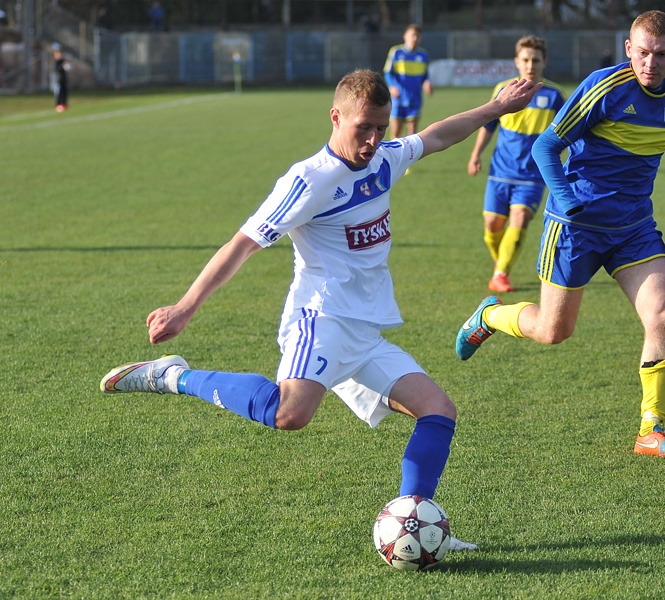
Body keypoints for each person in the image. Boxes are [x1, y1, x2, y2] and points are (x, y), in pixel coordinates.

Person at [100, 69, 540, 548]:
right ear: (336, 117)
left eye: (381, 127)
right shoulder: (309, 181)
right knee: (289, 414)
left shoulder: (386, 158)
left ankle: (415, 525)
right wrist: (185, 307)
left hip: (366, 329)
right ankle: (172, 376)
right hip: (320, 319)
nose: (373, 140)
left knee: (438, 411)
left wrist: (494, 109)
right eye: (363, 128)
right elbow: (242, 244)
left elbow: (435, 137)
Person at [455, 10, 665, 458]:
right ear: (629, 49)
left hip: (634, 228)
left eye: (661, 54)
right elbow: (547, 145)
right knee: (553, 331)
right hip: (575, 226)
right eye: (642, 52)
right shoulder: (604, 87)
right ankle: (489, 317)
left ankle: (651, 429)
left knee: (663, 317)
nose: (651, 63)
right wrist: (566, 200)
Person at [467, 35, 566, 293]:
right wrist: (476, 154)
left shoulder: (554, 95)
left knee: (520, 218)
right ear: (516, 61)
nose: (530, 64)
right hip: (500, 171)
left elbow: (568, 132)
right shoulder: (503, 89)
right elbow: (489, 125)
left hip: (533, 174)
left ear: (544, 62)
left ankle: (501, 274)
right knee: (492, 226)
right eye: (525, 59)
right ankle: (503, 259)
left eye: (535, 60)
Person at [383, 24, 433, 139]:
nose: (414, 39)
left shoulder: (423, 55)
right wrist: (392, 86)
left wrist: (427, 82)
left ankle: (409, 157)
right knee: (396, 134)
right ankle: (395, 157)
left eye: (417, 36)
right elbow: (388, 72)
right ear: (405, 36)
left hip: (415, 98)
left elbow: (425, 75)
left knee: (412, 136)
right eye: (412, 35)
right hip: (398, 98)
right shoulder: (396, 52)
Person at [51, 46, 70, 113]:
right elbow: (57, 69)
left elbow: (68, 68)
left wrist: (66, 65)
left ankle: (64, 104)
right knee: (58, 93)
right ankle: (58, 105)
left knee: (64, 92)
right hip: (58, 80)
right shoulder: (57, 63)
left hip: (63, 79)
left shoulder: (63, 61)